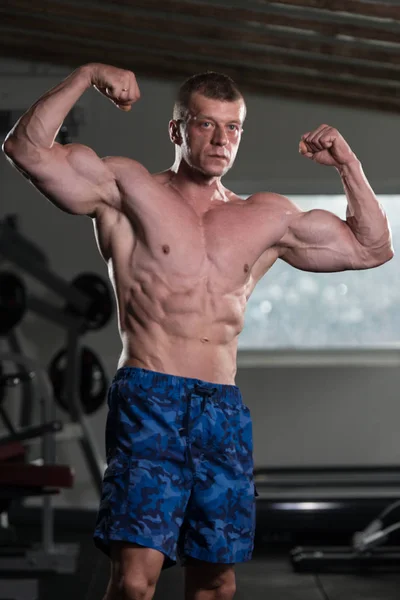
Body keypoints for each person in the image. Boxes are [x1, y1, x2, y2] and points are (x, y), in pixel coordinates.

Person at [2, 62, 393, 600]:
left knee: (216, 585)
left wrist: (347, 162)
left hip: (221, 410)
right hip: (150, 397)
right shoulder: (127, 188)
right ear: (177, 129)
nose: (221, 139)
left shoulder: (265, 216)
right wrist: (87, 74)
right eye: (207, 124)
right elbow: (26, 149)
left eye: (232, 127)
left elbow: (372, 248)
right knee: (136, 582)